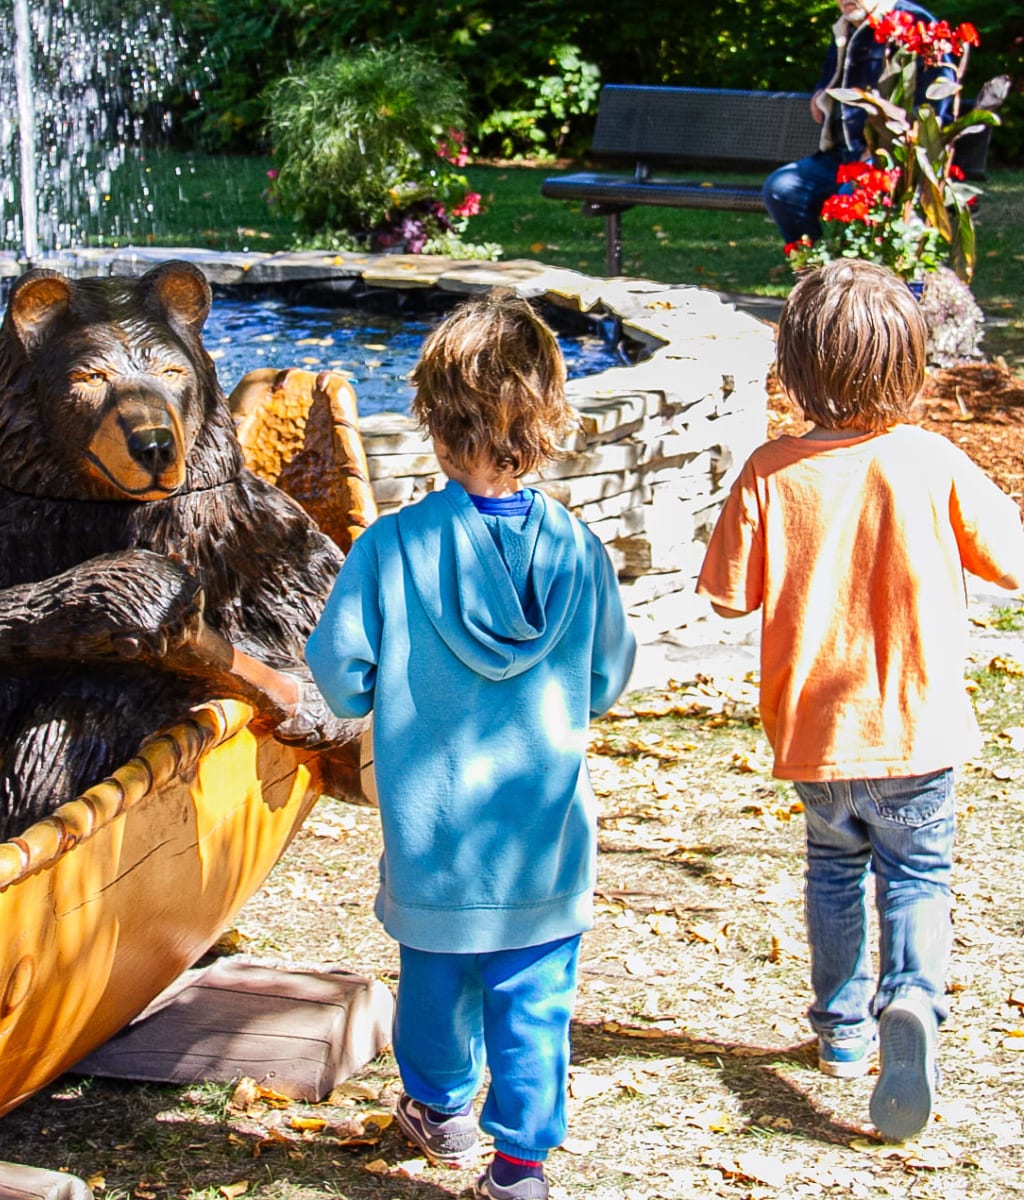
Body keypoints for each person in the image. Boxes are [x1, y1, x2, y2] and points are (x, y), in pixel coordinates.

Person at [305, 292, 635, 1199]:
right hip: (543, 839)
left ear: (437, 431)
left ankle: (440, 1111)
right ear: (547, 420)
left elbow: (339, 676)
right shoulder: (580, 552)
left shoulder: (391, 548)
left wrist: (380, 690)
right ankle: (520, 1167)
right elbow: (607, 678)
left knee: (437, 989)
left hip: (436, 838)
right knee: (535, 1007)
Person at [696, 259, 1024, 1141]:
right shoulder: (930, 460)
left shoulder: (769, 470)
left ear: (795, 371)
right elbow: (1015, 560)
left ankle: (840, 1034)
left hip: (817, 737)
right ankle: (910, 1000)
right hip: (918, 733)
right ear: (911, 365)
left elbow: (728, 595)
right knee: (918, 876)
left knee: (834, 874)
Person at [762, 0, 955, 244]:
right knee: (781, 189)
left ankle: (860, 276)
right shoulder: (846, 26)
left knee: (851, 196)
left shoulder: (914, 21)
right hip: (840, 156)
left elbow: (934, 106)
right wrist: (821, 91)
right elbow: (833, 76)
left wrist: (882, 144)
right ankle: (817, 272)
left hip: (892, 159)